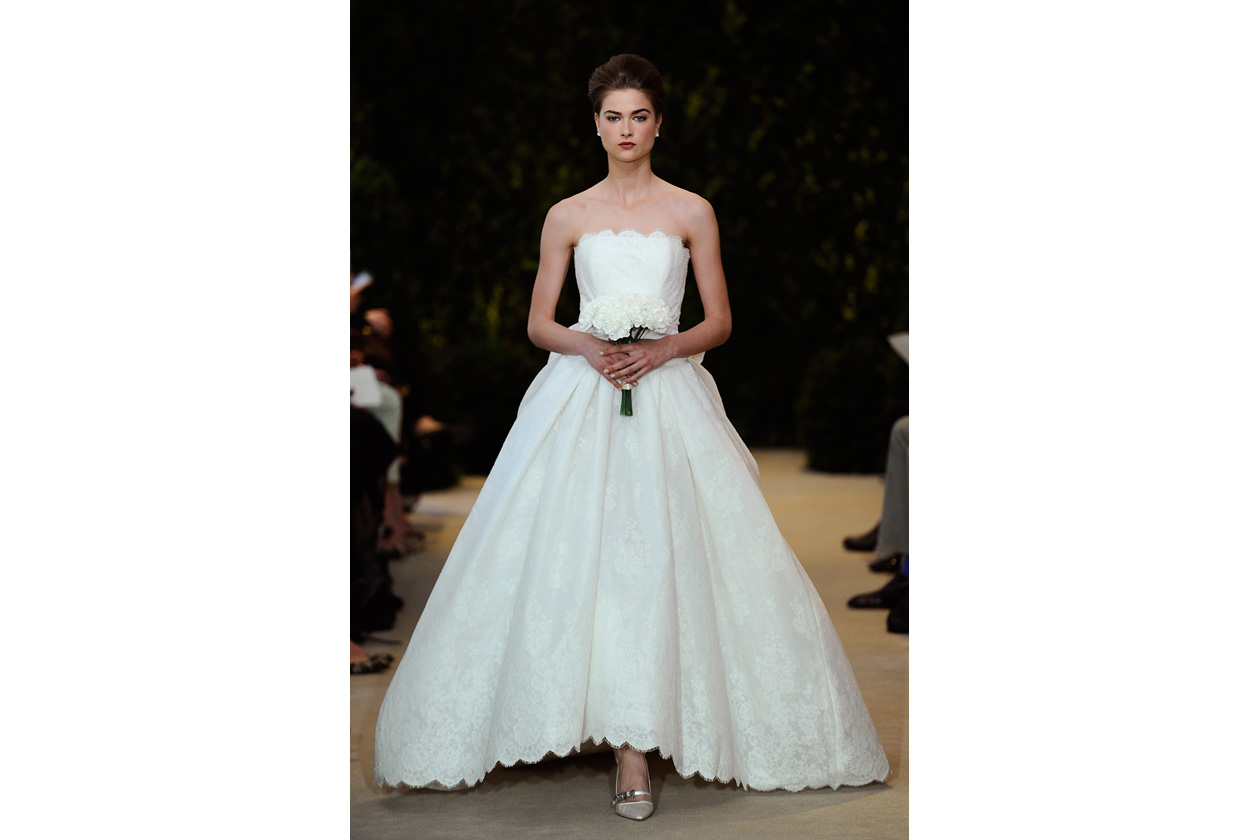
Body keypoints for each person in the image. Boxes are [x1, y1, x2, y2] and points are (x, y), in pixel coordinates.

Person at [373, 54, 888, 820]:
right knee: (579, 560)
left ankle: (642, 739)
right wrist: (590, 345)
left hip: (670, 395)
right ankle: (613, 736)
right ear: (595, 124)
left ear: (658, 123)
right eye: (613, 116)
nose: (626, 129)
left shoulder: (692, 211)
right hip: (581, 398)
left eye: (639, 116)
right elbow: (539, 322)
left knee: (661, 561)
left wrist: (662, 348)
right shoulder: (567, 215)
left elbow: (720, 320)